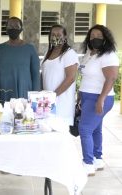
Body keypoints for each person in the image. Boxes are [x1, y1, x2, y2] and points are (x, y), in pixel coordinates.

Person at [78, 25, 119, 176]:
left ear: (105, 38)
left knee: (85, 129)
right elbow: (86, 76)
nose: (95, 38)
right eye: (92, 35)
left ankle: (88, 163)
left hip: (99, 97)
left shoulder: (108, 55)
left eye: (99, 35)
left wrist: (101, 99)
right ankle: (97, 159)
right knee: (95, 129)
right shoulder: (89, 53)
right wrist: (79, 95)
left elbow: (111, 77)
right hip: (87, 96)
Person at [0, 17, 40, 103]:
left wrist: (35, 97)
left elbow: (35, 75)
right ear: (6, 29)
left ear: (21, 29)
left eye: (16, 26)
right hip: (3, 92)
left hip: (23, 92)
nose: (13, 28)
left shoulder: (30, 49)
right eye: (10, 26)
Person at [41, 24, 79, 126]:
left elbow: (70, 78)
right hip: (48, 103)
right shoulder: (48, 53)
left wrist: (54, 95)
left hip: (62, 105)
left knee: (61, 137)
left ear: (65, 37)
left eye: (58, 34)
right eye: (52, 34)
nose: (55, 37)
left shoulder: (69, 54)